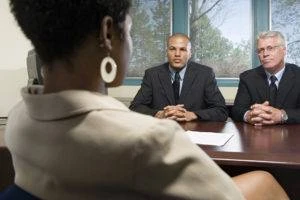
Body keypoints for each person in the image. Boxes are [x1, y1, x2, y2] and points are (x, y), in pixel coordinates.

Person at [4, 1, 289, 199]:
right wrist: (160, 117)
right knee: (264, 181)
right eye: (129, 31)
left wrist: (192, 114)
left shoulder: (17, 121)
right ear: (107, 34)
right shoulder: (151, 140)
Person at [129, 33, 228, 122]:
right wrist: (158, 114)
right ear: (166, 51)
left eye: (183, 49)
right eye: (172, 49)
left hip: (195, 133)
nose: (177, 54)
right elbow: (135, 107)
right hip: (161, 133)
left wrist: (193, 115)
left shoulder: (205, 74)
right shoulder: (152, 74)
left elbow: (221, 111)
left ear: (190, 53)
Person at [231, 30, 300, 125]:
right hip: (257, 135)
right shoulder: (247, 77)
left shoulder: (297, 75)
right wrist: (249, 116)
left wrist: (282, 115)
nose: (265, 54)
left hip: (292, 136)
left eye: (270, 48)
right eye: (261, 50)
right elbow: (236, 110)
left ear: (284, 50)